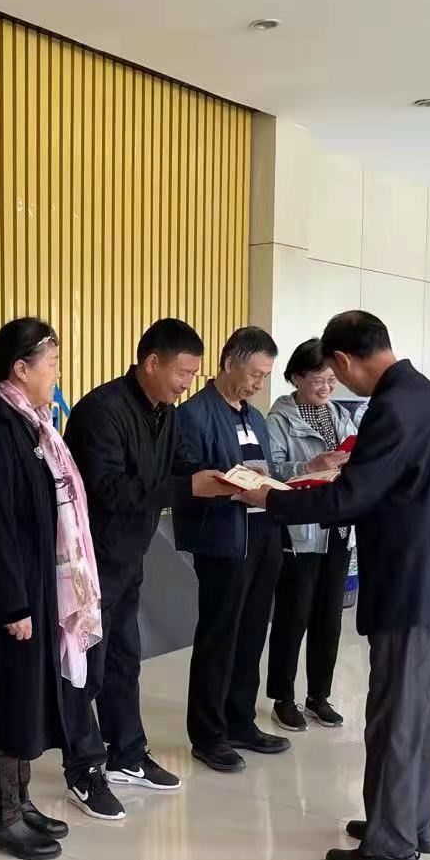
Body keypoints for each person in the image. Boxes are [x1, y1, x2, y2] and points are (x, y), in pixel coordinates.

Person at [238, 311, 430, 860]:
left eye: (336, 371)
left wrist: (269, 499)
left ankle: (392, 849)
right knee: (422, 714)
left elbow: (351, 497)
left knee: (396, 716)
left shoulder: (392, 408)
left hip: (413, 586)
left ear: (344, 360)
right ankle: (412, 822)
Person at [0, 317, 115, 853]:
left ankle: (20, 802)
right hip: (9, 594)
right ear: (21, 369)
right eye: (52, 363)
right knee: (8, 697)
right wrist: (14, 604)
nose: (57, 373)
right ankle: (1, 817)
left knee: (26, 696)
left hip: (34, 586)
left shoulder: (31, 423)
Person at [63, 318, 234, 793]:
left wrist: (221, 478)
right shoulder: (102, 411)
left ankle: (128, 753)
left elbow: (177, 467)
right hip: (91, 561)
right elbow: (108, 489)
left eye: (193, 375)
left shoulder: (166, 412)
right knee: (87, 665)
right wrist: (188, 488)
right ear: (152, 362)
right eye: (182, 372)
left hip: (129, 556)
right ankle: (83, 767)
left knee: (124, 658)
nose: (186, 384)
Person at [175, 326, 304, 773]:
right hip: (223, 538)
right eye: (254, 374)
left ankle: (240, 721)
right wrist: (229, 483)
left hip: (262, 534)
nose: (258, 383)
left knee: (252, 633)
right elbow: (186, 476)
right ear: (229, 362)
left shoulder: (256, 417)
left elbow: (265, 468)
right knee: (220, 636)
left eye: (265, 376)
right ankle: (208, 735)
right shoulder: (193, 414)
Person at [265, 338, 356, 732]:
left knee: (329, 618)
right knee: (293, 615)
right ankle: (283, 697)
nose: (327, 387)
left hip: (338, 527)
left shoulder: (340, 416)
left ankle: (319, 696)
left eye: (332, 380)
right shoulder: (279, 420)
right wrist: (310, 466)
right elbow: (270, 473)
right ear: (297, 377)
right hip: (301, 532)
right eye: (319, 380)